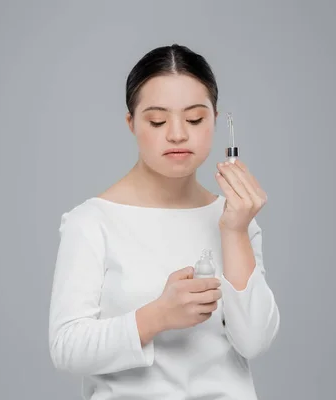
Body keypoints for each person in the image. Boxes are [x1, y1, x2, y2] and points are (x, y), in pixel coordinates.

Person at [48, 43, 280, 400]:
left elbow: (254, 341)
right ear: (131, 123)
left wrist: (234, 231)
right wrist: (157, 316)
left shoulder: (236, 217)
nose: (177, 134)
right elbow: (66, 347)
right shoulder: (92, 222)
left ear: (216, 121)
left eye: (194, 119)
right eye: (157, 120)